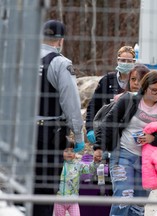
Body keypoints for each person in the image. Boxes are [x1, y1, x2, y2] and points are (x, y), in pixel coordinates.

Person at [94, 71, 157, 216]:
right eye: (154, 90)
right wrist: (99, 147)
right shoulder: (129, 100)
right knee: (123, 196)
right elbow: (108, 123)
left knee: (138, 205)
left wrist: (154, 139)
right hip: (123, 154)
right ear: (145, 87)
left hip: (147, 161)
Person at [33, 20, 85, 216]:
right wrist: (78, 137)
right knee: (44, 192)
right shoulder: (59, 63)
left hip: (21, 134)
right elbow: (71, 103)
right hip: (48, 135)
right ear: (61, 40)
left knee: (21, 190)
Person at [86, 45, 136, 144]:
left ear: (134, 62)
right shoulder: (107, 80)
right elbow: (93, 105)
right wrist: (90, 128)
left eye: (129, 61)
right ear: (118, 60)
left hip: (131, 131)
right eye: (123, 60)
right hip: (109, 130)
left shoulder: (138, 81)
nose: (126, 63)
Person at [53, 140, 103, 216]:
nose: (69, 153)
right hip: (59, 199)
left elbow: (89, 169)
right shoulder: (58, 164)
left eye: (72, 151)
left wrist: (95, 162)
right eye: (66, 151)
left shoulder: (78, 165)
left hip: (73, 200)